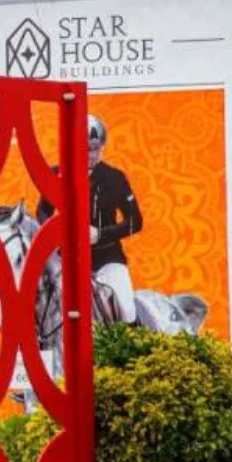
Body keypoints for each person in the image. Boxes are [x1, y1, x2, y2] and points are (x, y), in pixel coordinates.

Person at [37, 114, 143, 324]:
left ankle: (132, 349)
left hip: (106, 258)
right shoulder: (55, 174)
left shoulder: (115, 177)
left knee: (127, 306)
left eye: (96, 148)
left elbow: (135, 221)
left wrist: (100, 235)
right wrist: (58, 235)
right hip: (66, 259)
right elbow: (42, 213)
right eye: (85, 149)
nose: (91, 154)